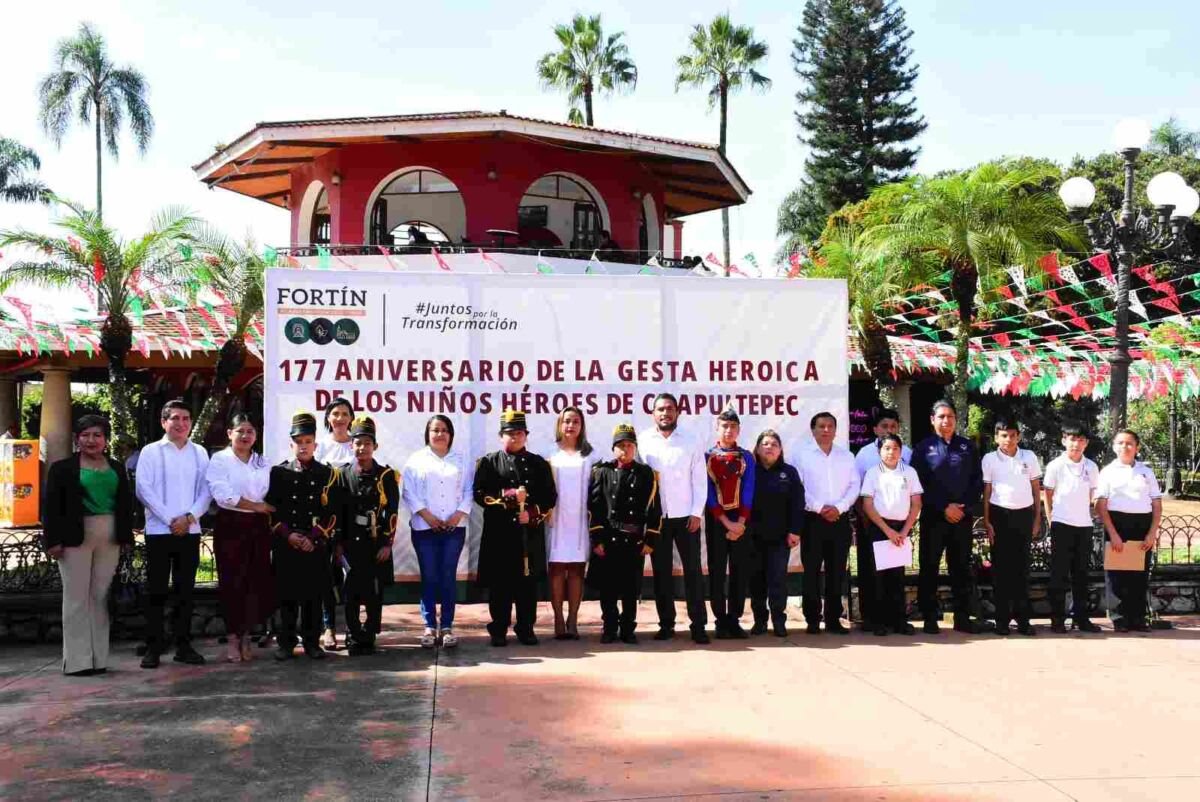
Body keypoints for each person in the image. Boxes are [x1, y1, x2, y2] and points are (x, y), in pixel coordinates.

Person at [42, 415, 134, 675]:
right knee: (76, 598)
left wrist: (126, 538)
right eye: (85, 435)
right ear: (77, 439)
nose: (91, 440)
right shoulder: (62, 468)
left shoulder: (116, 468)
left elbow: (125, 505)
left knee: (100, 596)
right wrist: (52, 541)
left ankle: (98, 658)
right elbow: (50, 508)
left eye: (97, 435)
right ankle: (77, 662)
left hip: (110, 535)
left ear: (106, 440)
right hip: (74, 537)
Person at [135, 399, 212, 669]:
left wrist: (189, 518)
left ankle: (183, 645)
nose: (181, 424)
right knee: (156, 590)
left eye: (186, 418)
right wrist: (171, 519)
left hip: (189, 530)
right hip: (159, 530)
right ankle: (154, 646)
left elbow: (207, 490)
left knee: (185, 591)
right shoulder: (151, 451)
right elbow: (144, 490)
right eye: (175, 418)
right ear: (163, 421)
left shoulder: (200, 452)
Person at [473, 409, 556, 646]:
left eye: (519, 433)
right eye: (509, 433)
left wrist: (530, 514)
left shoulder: (538, 464)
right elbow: (480, 495)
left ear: (526, 435)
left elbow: (550, 497)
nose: (515, 437)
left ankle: (526, 627)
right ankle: (498, 629)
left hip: (527, 534)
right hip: (499, 534)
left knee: (526, 585)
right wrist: (509, 497)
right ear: (501, 436)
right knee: (500, 585)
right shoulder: (489, 462)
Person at [265, 411, 342, 660]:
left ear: (315, 444)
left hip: (314, 545)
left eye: (308, 441)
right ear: (291, 444)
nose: (303, 446)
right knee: (286, 596)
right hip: (287, 544)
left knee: (313, 596)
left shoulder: (326, 474)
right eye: (299, 442)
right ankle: (286, 644)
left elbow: (333, 513)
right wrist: (288, 536)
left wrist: (313, 538)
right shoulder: (279, 473)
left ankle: (312, 643)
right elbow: (271, 511)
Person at [911, 401, 987, 634]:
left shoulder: (967, 447)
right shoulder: (923, 448)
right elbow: (918, 484)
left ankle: (963, 617)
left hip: (961, 519)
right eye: (942, 416)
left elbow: (977, 481)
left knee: (961, 568)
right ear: (932, 419)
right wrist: (944, 507)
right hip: (934, 518)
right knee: (929, 568)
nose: (947, 421)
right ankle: (930, 618)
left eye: (951, 416)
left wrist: (963, 508)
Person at [639, 392, 710, 644]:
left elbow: (700, 479)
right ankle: (666, 624)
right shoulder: (644, 440)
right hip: (658, 519)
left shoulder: (691, 440)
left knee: (693, 572)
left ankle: (698, 625)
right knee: (661, 573)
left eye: (670, 408)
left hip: (686, 517)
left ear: (678, 412)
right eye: (660, 409)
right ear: (653, 414)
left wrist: (696, 512)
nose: (665, 413)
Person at [205, 414, 276, 663]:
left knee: (255, 581)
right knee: (232, 581)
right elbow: (222, 494)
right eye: (240, 431)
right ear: (229, 434)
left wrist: (260, 509)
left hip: (258, 527)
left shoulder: (262, 462)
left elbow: (270, 493)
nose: (245, 436)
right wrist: (255, 506)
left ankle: (247, 636)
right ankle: (233, 637)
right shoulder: (220, 459)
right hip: (231, 525)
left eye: (250, 431)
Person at [586, 424, 662, 644]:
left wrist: (651, 538)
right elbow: (595, 507)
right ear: (613, 448)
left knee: (631, 589)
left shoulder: (646, 473)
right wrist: (597, 538)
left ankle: (628, 629)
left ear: (635, 448)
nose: (625, 449)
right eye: (620, 445)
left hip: (634, 539)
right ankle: (609, 627)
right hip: (609, 538)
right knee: (608, 589)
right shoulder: (602, 471)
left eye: (629, 445)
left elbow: (654, 506)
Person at [402, 415, 472, 649]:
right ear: (427, 434)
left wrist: (457, 514)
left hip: (454, 528)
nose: (439, 434)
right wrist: (428, 516)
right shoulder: (416, 460)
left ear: (450, 434)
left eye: (444, 430)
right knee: (429, 575)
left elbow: (469, 491)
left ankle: (448, 627)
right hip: (424, 528)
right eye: (435, 430)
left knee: (448, 576)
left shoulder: (461, 461)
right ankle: (429, 626)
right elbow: (409, 493)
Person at [338, 416, 399, 656]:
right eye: (357, 443)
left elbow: (392, 512)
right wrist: (338, 545)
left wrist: (387, 543)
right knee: (351, 591)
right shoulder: (341, 475)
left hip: (376, 542)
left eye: (367, 442)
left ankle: (370, 633)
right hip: (351, 543)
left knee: (374, 591)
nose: (362, 447)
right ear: (350, 445)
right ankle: (353, 633)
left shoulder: (386, 476)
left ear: (375, 446)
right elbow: (337, 512)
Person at [796, 412, 859, 635]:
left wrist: (839, 508)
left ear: (835, 429)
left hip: (839, 519)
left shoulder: (846, 456)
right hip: (813, 520)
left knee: (836, 572)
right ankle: (812, 618)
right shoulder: (802, 456)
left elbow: (854, 486)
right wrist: (820, 507)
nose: (826, 430)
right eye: (821, 426)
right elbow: (799, 488)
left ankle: (833, 618)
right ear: (812, 430)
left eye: (830, 426)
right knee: (812, 570)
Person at [1095, 429, 1162, 633]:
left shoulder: (1146, 472)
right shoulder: (1107, 471)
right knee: (1116, 574)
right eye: (1121, 443)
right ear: (1114, 446)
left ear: (1137, 447)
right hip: (1116, 523)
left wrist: (1152, 533)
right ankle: (1119, 617)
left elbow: (1156, 504)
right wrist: (1113, 533)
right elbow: (1100, 505)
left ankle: (1137, 617)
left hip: (1142, 524)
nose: (1125, 447)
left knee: (1139, 573)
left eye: (1130, 443)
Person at [544, 407, 602, 640]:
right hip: (555, 521)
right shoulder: (548, 453)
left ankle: (573, 620)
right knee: (557, 569)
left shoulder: (591, 455)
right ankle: (558, 618)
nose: (570, 426)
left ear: (582, 426)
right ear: (560, 424)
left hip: (580, 522)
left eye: (575, 421)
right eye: (566, 421)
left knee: (577, 570)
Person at [982, 418, 1042, 636]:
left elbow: (1036, 489)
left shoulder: (1030, 457)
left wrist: (1037, 519)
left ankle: (1023, 620)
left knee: (1022, 570)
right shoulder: (989, 459)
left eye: (1013, 435)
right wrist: (987, 521)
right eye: (1004, 435)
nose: (1008, 439)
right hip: (999, 515)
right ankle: (1002, 621)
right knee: (1001, 571)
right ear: (997, 437)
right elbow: (987, 492)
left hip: (1024, 516)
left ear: (1019, 436)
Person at [853, 409, 912, 631]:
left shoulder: (906, 452)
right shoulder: (864, 455)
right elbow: (858, 489)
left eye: (893, 426)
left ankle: (896, 618)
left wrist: (906, 525)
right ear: (876, 429)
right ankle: (872, 619)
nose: (889, 430)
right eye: (884, 426)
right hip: (871, 522)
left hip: (900, 524)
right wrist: (866, 520)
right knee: (872, 572)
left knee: (896, 573)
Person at [859, 434, 922, 636]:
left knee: (897, 577)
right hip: (880, 528)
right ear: (880, 451)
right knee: (878, 577)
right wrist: (887, 530)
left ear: (901, 451)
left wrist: (904, 531)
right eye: (887, 448)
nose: (891, 452)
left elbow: (917, 503)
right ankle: (878, 621)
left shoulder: (910, 472)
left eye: (895, 448)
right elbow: (867, 504)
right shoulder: (872, 473)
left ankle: (899, 621)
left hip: (902, 529)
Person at [1042, 422, 1102, 633]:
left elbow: (1095, 495)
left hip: (1084, 525)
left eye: (1080, 439)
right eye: (1071, 439)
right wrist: (1051, 521)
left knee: (1081, 574)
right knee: (1059, 574)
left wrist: (1095, 511)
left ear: (1086, 443)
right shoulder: (1055, 465)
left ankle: (1081, 618)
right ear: (1063, 440)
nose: (1075, 443)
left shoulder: (1092, 467)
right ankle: (1057, 619)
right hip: (1061, 524)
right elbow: (1047, 495)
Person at [705, 408, 756, 639]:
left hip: (742, 519)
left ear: (739, 430)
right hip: (718, 520)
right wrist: (726, 522)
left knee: (739, 570)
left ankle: (734, 618)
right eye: (724, 426)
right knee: (717, 570)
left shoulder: (747, 457)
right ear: (717, 428)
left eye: (733, 427)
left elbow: (749, 488)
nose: (728, 430)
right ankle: (719, 619)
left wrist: (741, 522)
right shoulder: (707, 456)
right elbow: (707, 493)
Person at [746, 430, 804, 637]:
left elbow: (798, 504)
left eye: (774, 444)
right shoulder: (749, 470)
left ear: (780, 449)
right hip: (753, 536)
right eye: (765, 444)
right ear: (758, 448)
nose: (769, 447)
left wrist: (795, 531)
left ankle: (779, 621)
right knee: (756, 581)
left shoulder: (789, 472)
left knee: (778, 580)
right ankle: (760, 621)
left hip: (780, 537)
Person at [315, 397, 355, 650]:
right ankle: (328, 627)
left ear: (351, 417)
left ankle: (353, 628)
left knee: (353, 577)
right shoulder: (320, 447)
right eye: (335, 413)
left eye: (344, 413)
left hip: (353, 520)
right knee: (326, 577)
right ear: (328, 418)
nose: (340, 418)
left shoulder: (358, 445)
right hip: (326, 520)